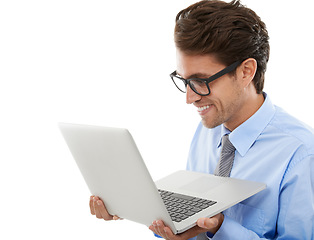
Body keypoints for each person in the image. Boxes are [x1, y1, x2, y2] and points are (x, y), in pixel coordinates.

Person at [90, 0, 314, 239]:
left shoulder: (301, 154)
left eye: (201, 81)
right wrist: (138, 209)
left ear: (246, 71)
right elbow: (190, 229)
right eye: (185, 80)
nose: (189, 98)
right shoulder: (209, 129)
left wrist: (220, 229)